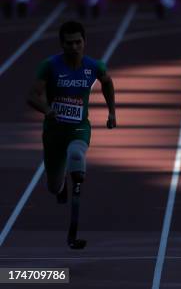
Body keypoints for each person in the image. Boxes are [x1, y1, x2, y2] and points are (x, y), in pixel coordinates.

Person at [27, 21, 116, 248]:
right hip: (53, 133)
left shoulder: (94, 66)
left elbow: (107, 83)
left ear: (84, 42)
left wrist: (112, 112)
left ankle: (73, 230)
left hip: (78, 128)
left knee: (77, 155)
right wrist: (48, 111)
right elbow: (32, 96)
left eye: (78, 42)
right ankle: (62, 185)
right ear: (62, 44)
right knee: (53, 187)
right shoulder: (49, 66)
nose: (74, 47)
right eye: (69, 43)